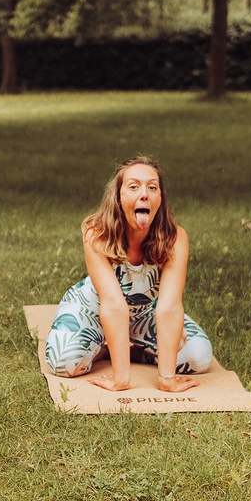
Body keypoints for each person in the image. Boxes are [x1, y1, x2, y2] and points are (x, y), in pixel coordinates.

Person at [45, 155, 212, 392]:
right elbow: (113, 305)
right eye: (134, 186)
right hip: (95, 306)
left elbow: (169, 307)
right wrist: (120, 379)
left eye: (152, 187)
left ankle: (133, 349)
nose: (144, 194)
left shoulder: (175, 238)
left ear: (160, 198)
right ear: (118, 196)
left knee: (199, 358)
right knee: (64, 363)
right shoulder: (96, 232)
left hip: (145, 312)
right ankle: (104, 346)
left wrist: (167, 377)